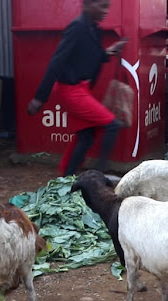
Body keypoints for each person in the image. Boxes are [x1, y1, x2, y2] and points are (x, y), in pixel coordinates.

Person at [27, 0, 128, 176]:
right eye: (102, 6)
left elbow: (88, 56)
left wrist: (108, 52)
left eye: (107, 6)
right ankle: (99, 175)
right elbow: (57, 61)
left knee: (86, 137)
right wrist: (40, 97)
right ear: (88, 4)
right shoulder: (77, 27)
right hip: (71, 90)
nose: (106, 11)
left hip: (81, 89)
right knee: (112, 125)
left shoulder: (92, 28)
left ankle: (66, 177)